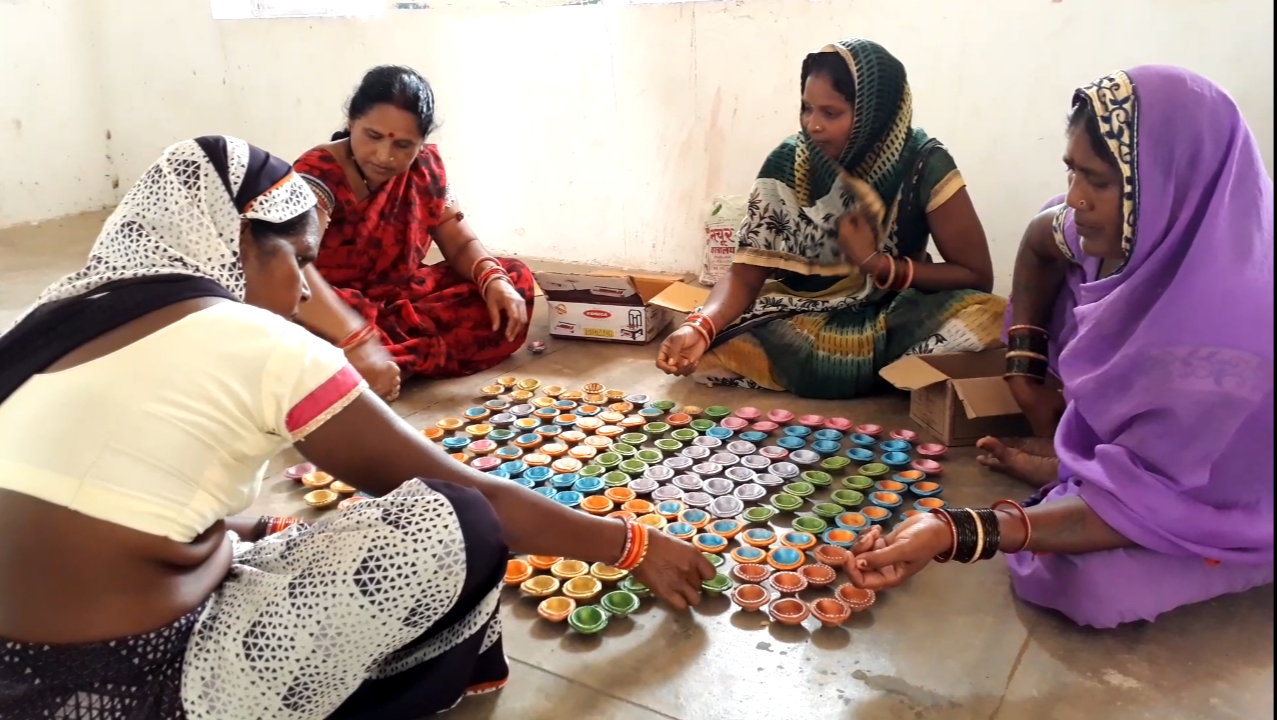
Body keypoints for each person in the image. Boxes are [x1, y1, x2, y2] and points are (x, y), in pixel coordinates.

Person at [0, 136, 713, 718]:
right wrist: (631, 544)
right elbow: (481, 501)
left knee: (267, 532)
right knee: (457, 522)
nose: (309, 291)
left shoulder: (43, 325)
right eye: (301, 261)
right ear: (242, 237)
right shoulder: (254, 341)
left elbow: (123, 504)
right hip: (135, 691)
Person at [846, 66, 1274, 629]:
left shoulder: (1227, 328)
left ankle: (1220, 539)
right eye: (1072, 170)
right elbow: (1036, 241)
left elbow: (1142, 509)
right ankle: (1088, 472)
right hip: (1157, 458)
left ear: (1171, 183)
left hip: (1224, 493)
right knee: (1081, 275)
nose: (1076, 199)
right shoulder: (1130, 225)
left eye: (1097, 180)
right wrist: (1026, 373)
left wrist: (956, 530)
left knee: (1091, 587)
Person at [656, 37, 1006, 399]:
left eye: (831, 113)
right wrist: (700, 327)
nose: (813, 125)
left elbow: (977, 277)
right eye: (807, 108)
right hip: (799, 318)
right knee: (709, 346)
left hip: (893, 313)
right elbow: (745, 277)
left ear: (876, 112)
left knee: (991, 317)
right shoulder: (788, 162)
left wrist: (877, 264)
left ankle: (863, 371)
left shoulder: (922, 161)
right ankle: (891, 377)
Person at [293, 65, 535, 401]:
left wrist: (493, 279)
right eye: (373, 136)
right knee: (294, 331)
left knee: (513, 279)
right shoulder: (317, 174)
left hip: (397, 300)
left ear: (422, 144)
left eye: (404, 145)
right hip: (331, 306)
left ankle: (376, 368)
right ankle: (375, 363)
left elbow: (460, 242)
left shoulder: (425, 170)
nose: (384, 156)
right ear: (351, 123)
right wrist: (357, 338)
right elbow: (294, 270)